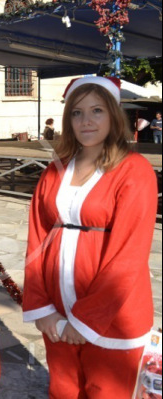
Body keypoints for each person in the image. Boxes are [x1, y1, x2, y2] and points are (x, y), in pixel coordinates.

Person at [22, 76, 157, 398]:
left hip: (112, 315)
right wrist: (41, 307)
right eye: (77, 112)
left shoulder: (134, 170)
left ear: (113, 114)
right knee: (63, 390)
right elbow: (37, 237)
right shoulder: (55, 169)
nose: (86, 121)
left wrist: (85, 321)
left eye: (97, 110)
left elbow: (128, 255)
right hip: (56, 309)